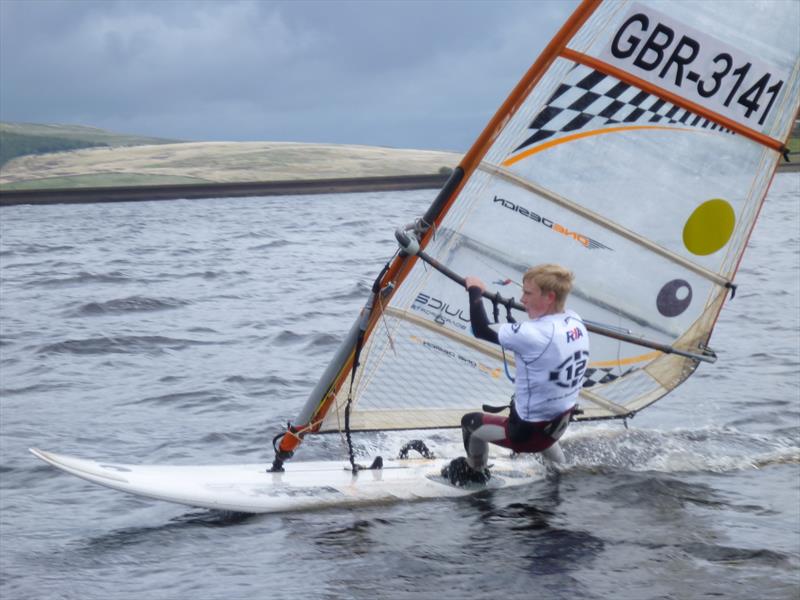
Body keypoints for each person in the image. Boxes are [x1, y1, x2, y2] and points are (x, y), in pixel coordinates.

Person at [441, 264, 589, 486]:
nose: (521, 300)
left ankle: (475, 472)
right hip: (558, 424)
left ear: (549, 297)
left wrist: (475, 290)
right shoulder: (575, 320)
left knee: (469, 423)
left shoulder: (534, 334)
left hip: (527, 434)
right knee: (539, 414)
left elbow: (481, 329)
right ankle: (560, 469)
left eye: (528, 294)